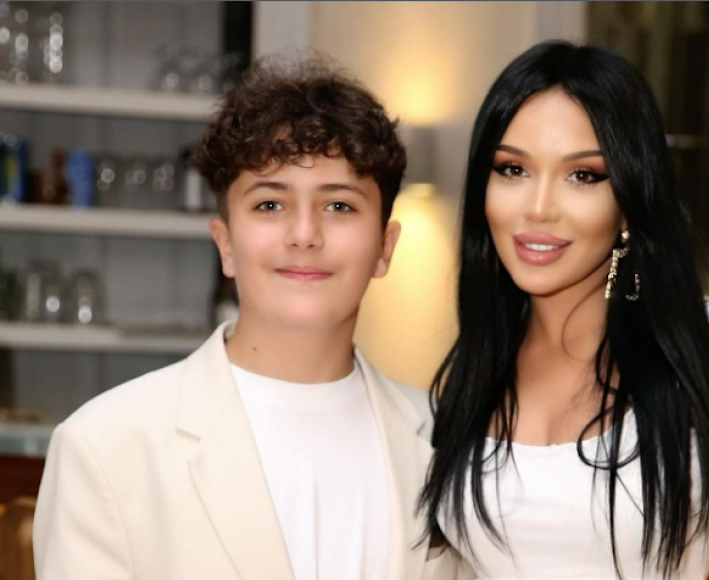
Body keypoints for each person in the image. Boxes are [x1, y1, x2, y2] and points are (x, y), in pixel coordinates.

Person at [33, 55, 464, 580]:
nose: (304, 235)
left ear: (384, 247)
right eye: (269, 205)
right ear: (226, 244)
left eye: (339, 206)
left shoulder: (451, 442)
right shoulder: (105, 446)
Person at [419, 41, 709, 580]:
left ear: (630, 199)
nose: (538, 208)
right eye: (512, 169)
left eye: (583, 175)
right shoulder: (478, 367)